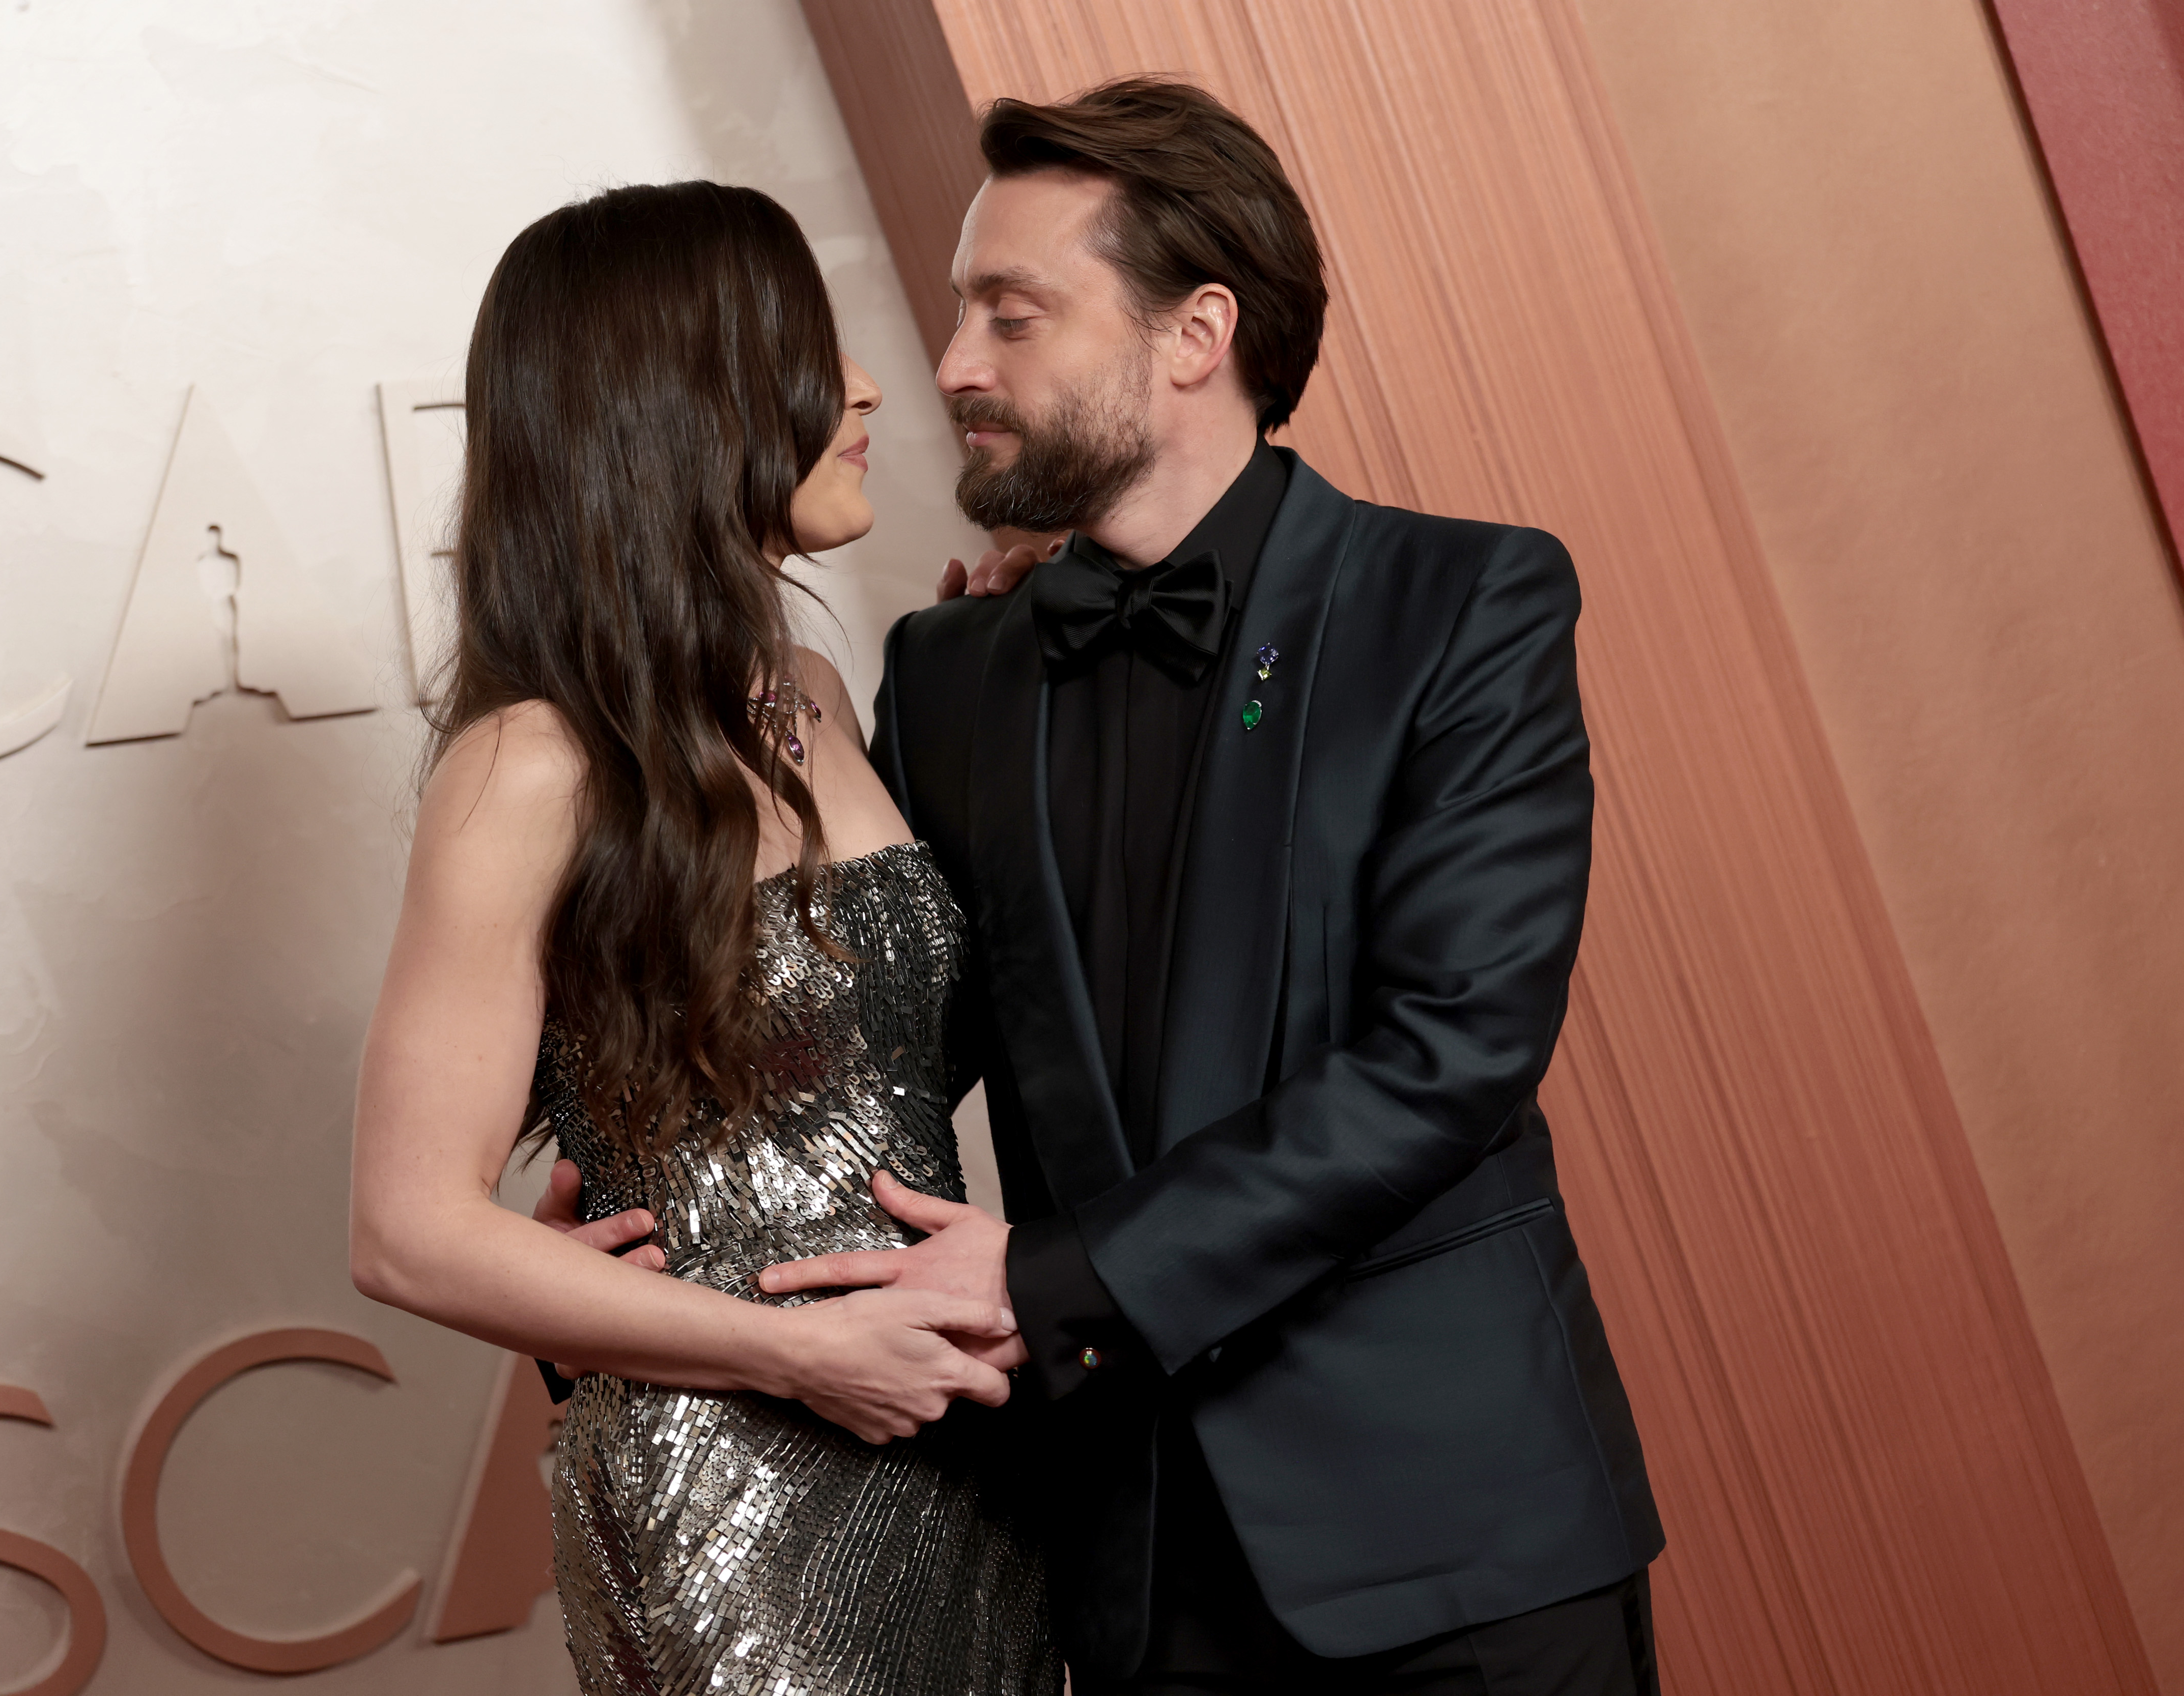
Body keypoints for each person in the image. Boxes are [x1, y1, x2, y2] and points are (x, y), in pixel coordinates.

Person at [752, 80, 1666, 1694]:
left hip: (1463, 1548)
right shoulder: (950, 674)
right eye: (965, 313)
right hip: (1136, 1566)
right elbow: (896, 1047)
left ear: (1196, 335)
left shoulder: (1463, 603)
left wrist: (1055, 1279)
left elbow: (1449, 1053)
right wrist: (656, 1234)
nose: (955, 364)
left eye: (1011, 315)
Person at [347, 180, 1062, 1696]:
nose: (871, 385)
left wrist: (1027, 660)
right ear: (687, 400)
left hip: (952, 1452)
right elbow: (405, 1227)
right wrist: (802, 1354)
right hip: (734, 1492)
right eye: (812, 351)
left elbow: (904, 1059)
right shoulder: (528, 763)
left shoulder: (813, 685)